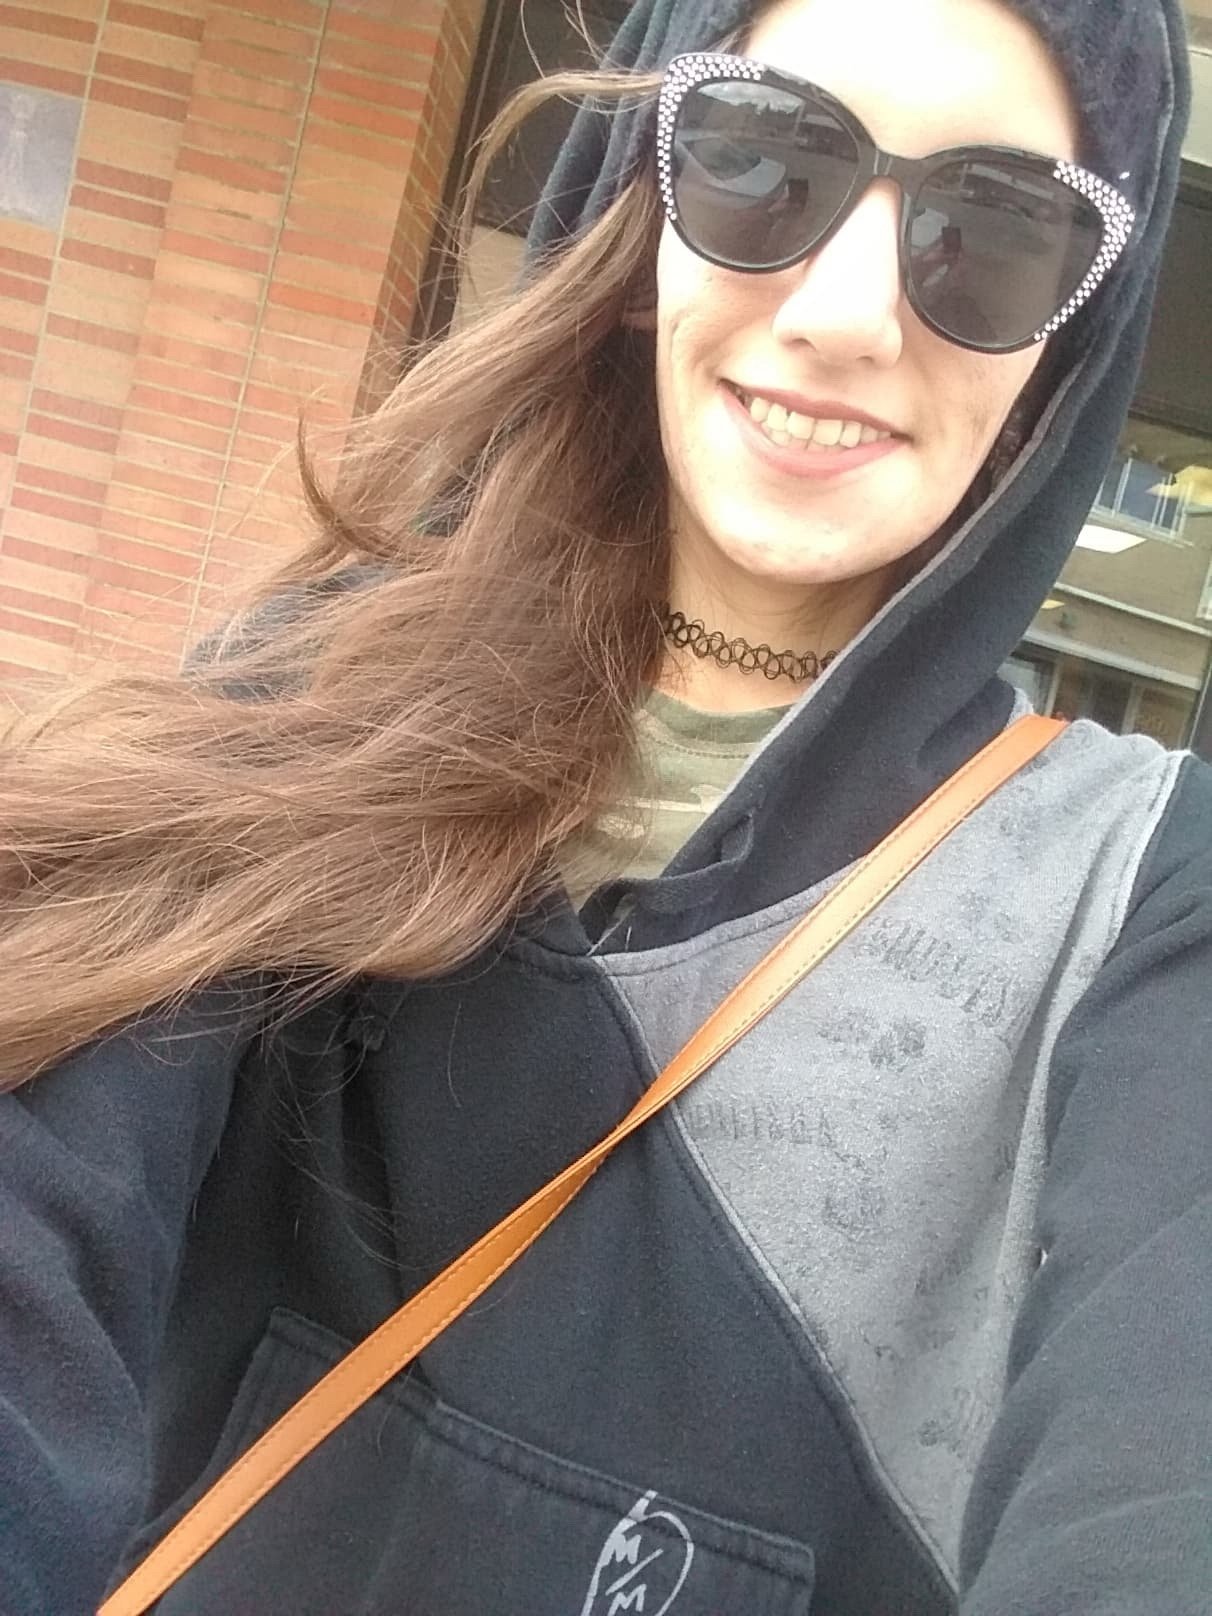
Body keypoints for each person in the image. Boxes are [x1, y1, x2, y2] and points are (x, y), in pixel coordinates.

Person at [0, 0, 1206, 1611]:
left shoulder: (1138, 894)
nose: (845, 315)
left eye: (995, 229)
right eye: (766, 157)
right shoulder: (314, 694)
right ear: (643, 211)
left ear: (1070, 333)